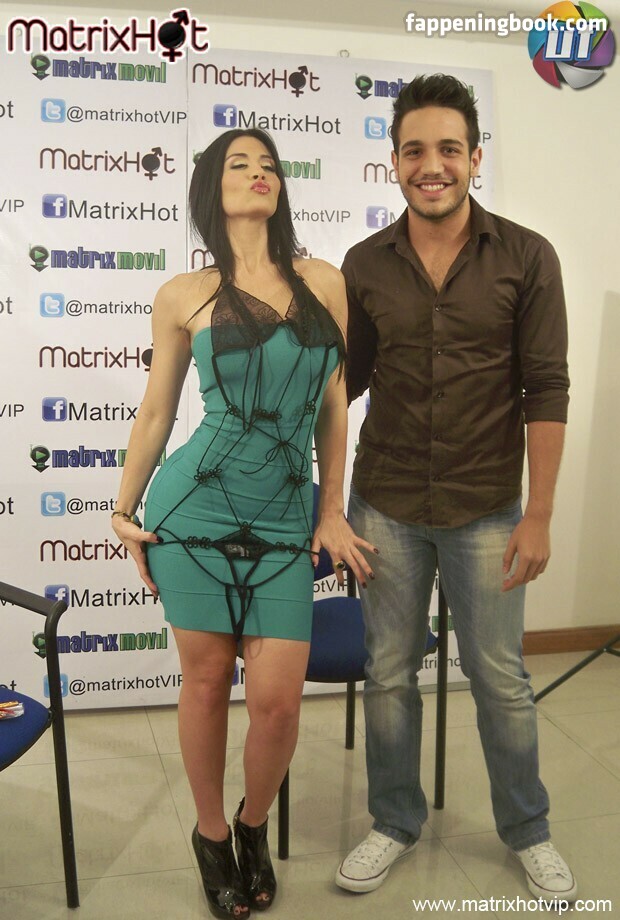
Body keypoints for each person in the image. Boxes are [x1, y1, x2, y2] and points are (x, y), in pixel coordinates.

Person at [112, 127, 375, 919]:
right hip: (192, 511)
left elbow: (335, 405)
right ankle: (211, 835)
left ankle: (254, 823)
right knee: (201, 685)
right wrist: (123, 507)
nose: (259, 173)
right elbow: (157, 412)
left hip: (287, 519)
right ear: (211, 187)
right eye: (239, 163)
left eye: (268, 165)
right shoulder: (181, 295)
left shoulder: (324, 281)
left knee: (278, 703)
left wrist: (332, 508)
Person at [335, 74, 576, 905]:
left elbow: (546, 388)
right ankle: (394, 820)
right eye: (414, 151)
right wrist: (322, 497)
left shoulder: (527, 257)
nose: (430, 165)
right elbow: (346, 385)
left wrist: (539, 514)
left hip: (487, 508)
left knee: (501, 680)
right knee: (388, 674)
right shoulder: (364, 263)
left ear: (475, 157)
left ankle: (527, 831)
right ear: (394, 162)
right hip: (386, 505)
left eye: (447, 149)